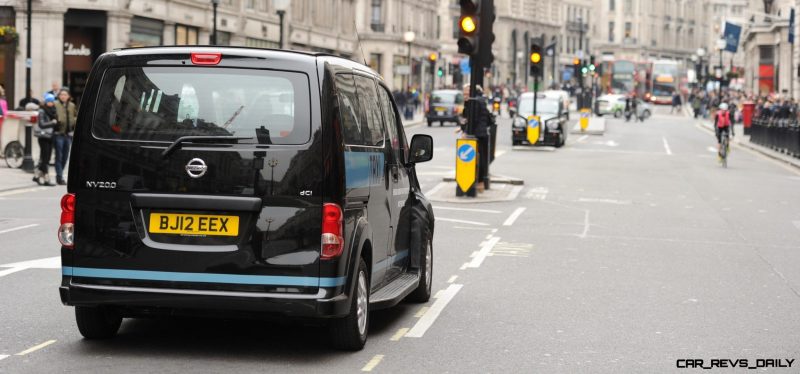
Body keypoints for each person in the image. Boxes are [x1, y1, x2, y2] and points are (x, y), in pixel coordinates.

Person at [53, 88, 77, 185]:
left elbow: (76, 116)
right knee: (59, 156)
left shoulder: (72, 105)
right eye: (61, 94)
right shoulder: (55, 104)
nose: (63, 96)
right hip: (58, 133)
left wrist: (73, 121)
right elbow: (51, 114)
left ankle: (60, 174)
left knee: (65, 156)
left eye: (65, 94)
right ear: (59, 96)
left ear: (68, 96)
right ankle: (59, 176)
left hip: (68, 135)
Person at [33, 94, 57, 186]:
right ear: (46, 101)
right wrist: (52, 122)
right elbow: (41, 124)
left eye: (52, 101)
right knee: (45, 159)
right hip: (43, 137)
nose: (51, 103)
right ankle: (46, 179)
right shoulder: (42, 110)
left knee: (45, 158)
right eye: (49, 101)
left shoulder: (53, 110)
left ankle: (36, 176)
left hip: (50, 136)